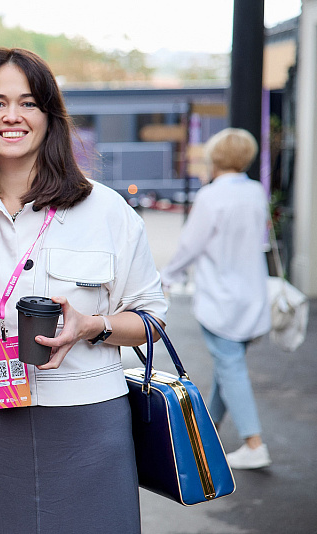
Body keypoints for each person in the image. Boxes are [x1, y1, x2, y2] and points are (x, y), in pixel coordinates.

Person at [0, 48, 167, 533]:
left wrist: (91, 326)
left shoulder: (106, 211)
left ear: (49, 117)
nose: (12, 116)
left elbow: (152, 321)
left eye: (28, 103)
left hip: (90, 428)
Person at [161, 128, 272, 470]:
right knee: (229, 367)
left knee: (231, 367)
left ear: (215, 157)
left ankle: (254, 444)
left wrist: (166, 277)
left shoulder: (211, 196)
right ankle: (205, 434)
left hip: (220, 299)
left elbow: (189, 246)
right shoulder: (256, 191)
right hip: (253, 297)